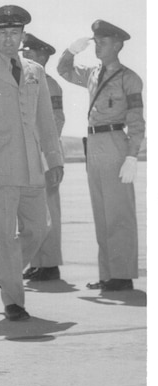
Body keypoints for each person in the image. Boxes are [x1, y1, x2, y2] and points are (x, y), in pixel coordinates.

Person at [0, 5, 64, 321]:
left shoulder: (35, 71)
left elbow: (46, 121)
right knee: (5, 237)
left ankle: (7, 274)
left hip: (33, 166)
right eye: (3, 33)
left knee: (38, 229)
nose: (9, 39)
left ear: (21, 36)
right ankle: (14, 302)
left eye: (15, 33)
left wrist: (55, 159)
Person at [57, 20, 144, 292]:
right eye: (95, 42)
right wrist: (71, 51)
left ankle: (122, 274)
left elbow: (137, 121)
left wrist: (132, 156)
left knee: (119, 213)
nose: (97, 47)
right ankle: (108, 274)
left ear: (118, 45)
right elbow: (64, 70)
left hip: (116, 142)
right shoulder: (93, 73)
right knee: (102, 213)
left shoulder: (128, 78)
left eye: (103, 42)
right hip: (94, 143)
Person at [20, 33, 65, 282]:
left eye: (30, 53)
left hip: (44, 156)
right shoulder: (25, 82)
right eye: (24, 53)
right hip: (26, 155)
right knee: (31, 212)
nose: (25, 56)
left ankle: (49, 264)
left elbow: (56, 121)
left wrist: (47, 154)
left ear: (43, 57)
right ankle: (37, 262)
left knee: (49, 210)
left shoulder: (50, 84)